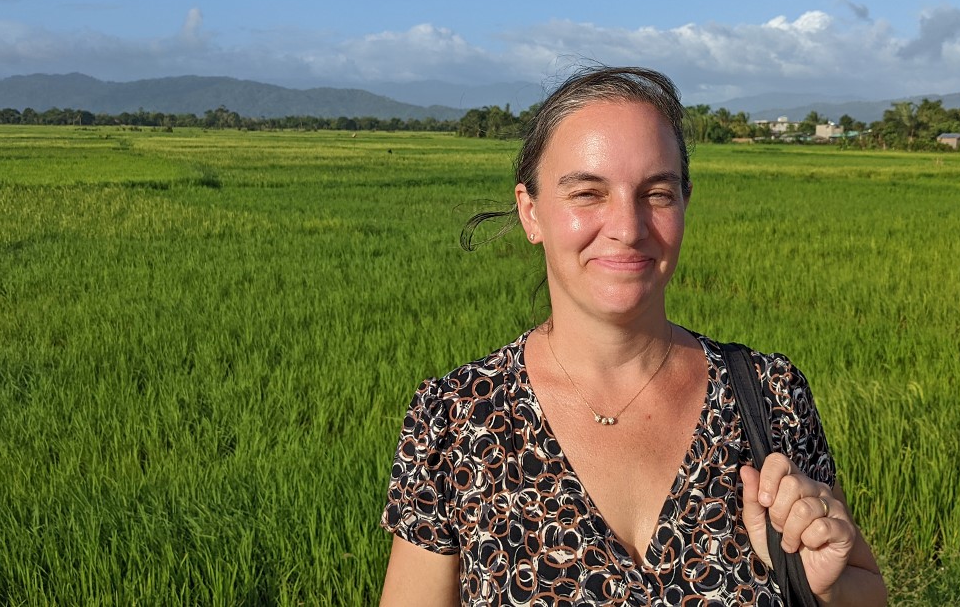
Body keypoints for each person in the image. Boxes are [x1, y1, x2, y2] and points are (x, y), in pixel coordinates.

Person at [379, 66, 886, 606]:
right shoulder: (454, 421)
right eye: (587, 193)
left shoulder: (770, 394)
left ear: (685, 202)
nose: (627, 225)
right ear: (532, 213)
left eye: (656, 192)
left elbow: (863, 591)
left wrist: (824, 589)